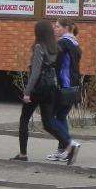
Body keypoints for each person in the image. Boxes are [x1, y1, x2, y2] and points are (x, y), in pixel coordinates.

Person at [13, 19, 72, 162]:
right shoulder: (55, 47)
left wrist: (27, 92)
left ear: (38, 32)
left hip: (37, 88)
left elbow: (36, 73)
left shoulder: (39, 46)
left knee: (24, 120)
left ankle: (23, 154)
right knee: (48, 122)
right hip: (50, 87)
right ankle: (69, 144)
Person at [49, 18, 83, 163]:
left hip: (63, 86)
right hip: (73, 86)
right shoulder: (75, 43)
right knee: (61, 116)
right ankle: (63, 150)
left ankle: (68, 145)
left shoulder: (63, 43)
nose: (54, 29)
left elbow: (54, 63)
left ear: (65, 28)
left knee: (53, 118)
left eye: (57, 27)